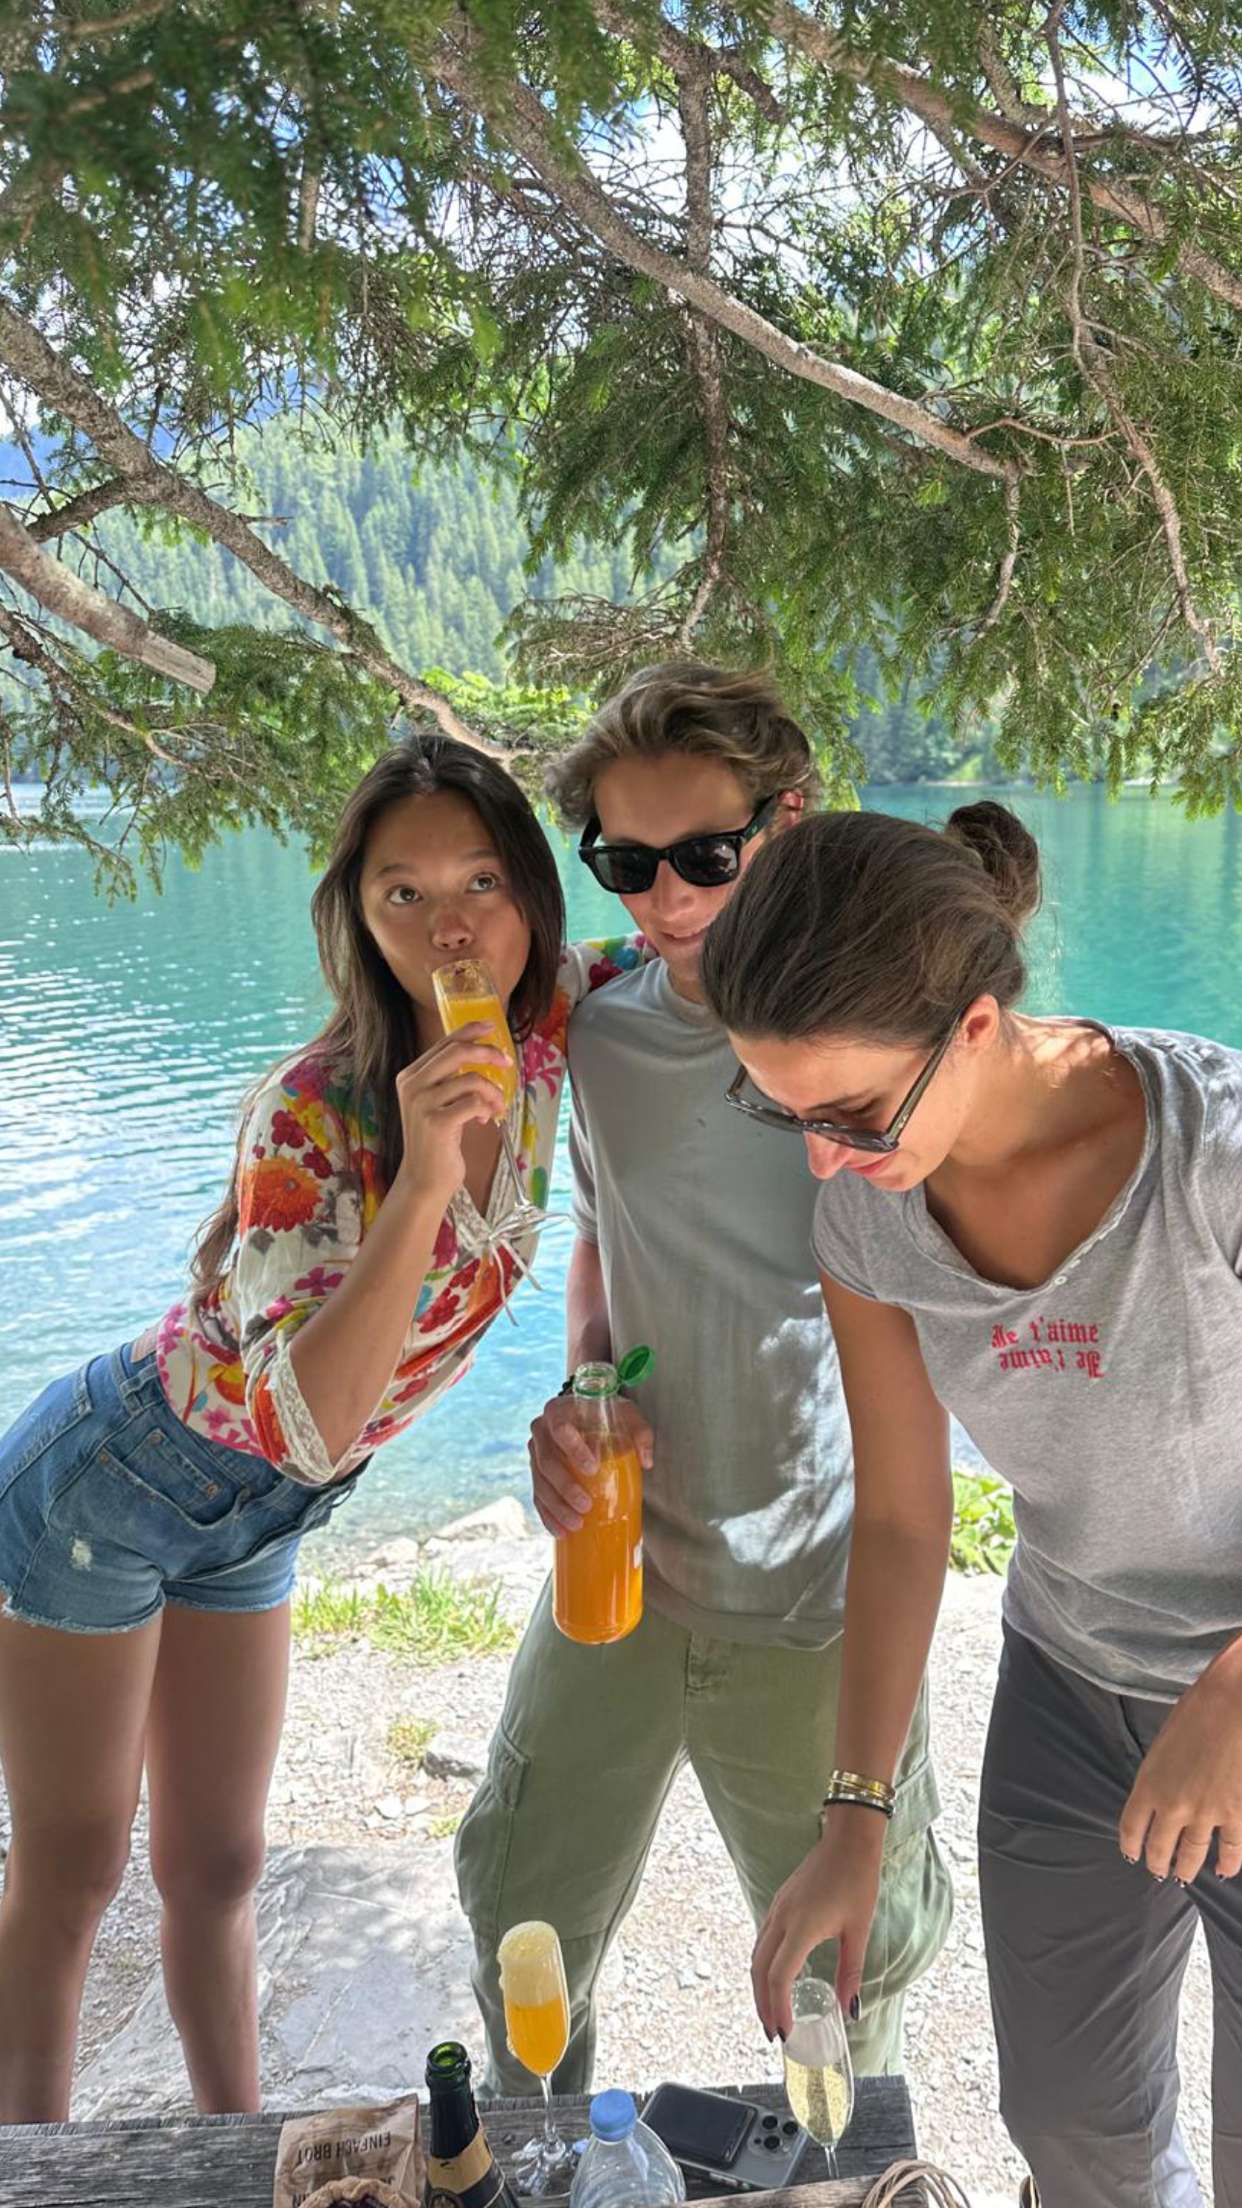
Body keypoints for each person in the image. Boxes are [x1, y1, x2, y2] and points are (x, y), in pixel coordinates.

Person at [0, 732, 640, 2124]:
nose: (448, 926)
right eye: (403, 893)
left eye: (479, 881)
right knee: (72, 1873)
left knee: (218, 1865)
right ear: (360, 916)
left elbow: (700, 938)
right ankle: (32, 2165)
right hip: (111, 1485)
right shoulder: (313, 1112)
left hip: (262, 1519)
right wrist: (421, 1180)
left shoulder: (548, 1029)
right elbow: (313, 1423)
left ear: (531, 895)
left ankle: (237, 2146)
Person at [699, 799, 1242, 2208]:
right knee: (1070, 2129)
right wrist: (855, 1818)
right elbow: (898, 1517)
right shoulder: (868, 1212)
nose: (820, 1156)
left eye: (849, 1114)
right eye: (783, 1111)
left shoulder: (1214, 1154)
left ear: (979, 1026)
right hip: (1067, 1689)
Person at [456, 663, 951, 2094]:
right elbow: (600, 1241)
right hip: (616, 1570)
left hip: (813, 1597)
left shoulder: (868, 1053)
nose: (664, 900)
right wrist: (581, 1395)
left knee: (843, 1974)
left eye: (704, 858)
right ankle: (545, 2161)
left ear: (786, 824)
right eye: (624, 864)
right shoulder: (601, 1040)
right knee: (518, 1915)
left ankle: (846, 2177)